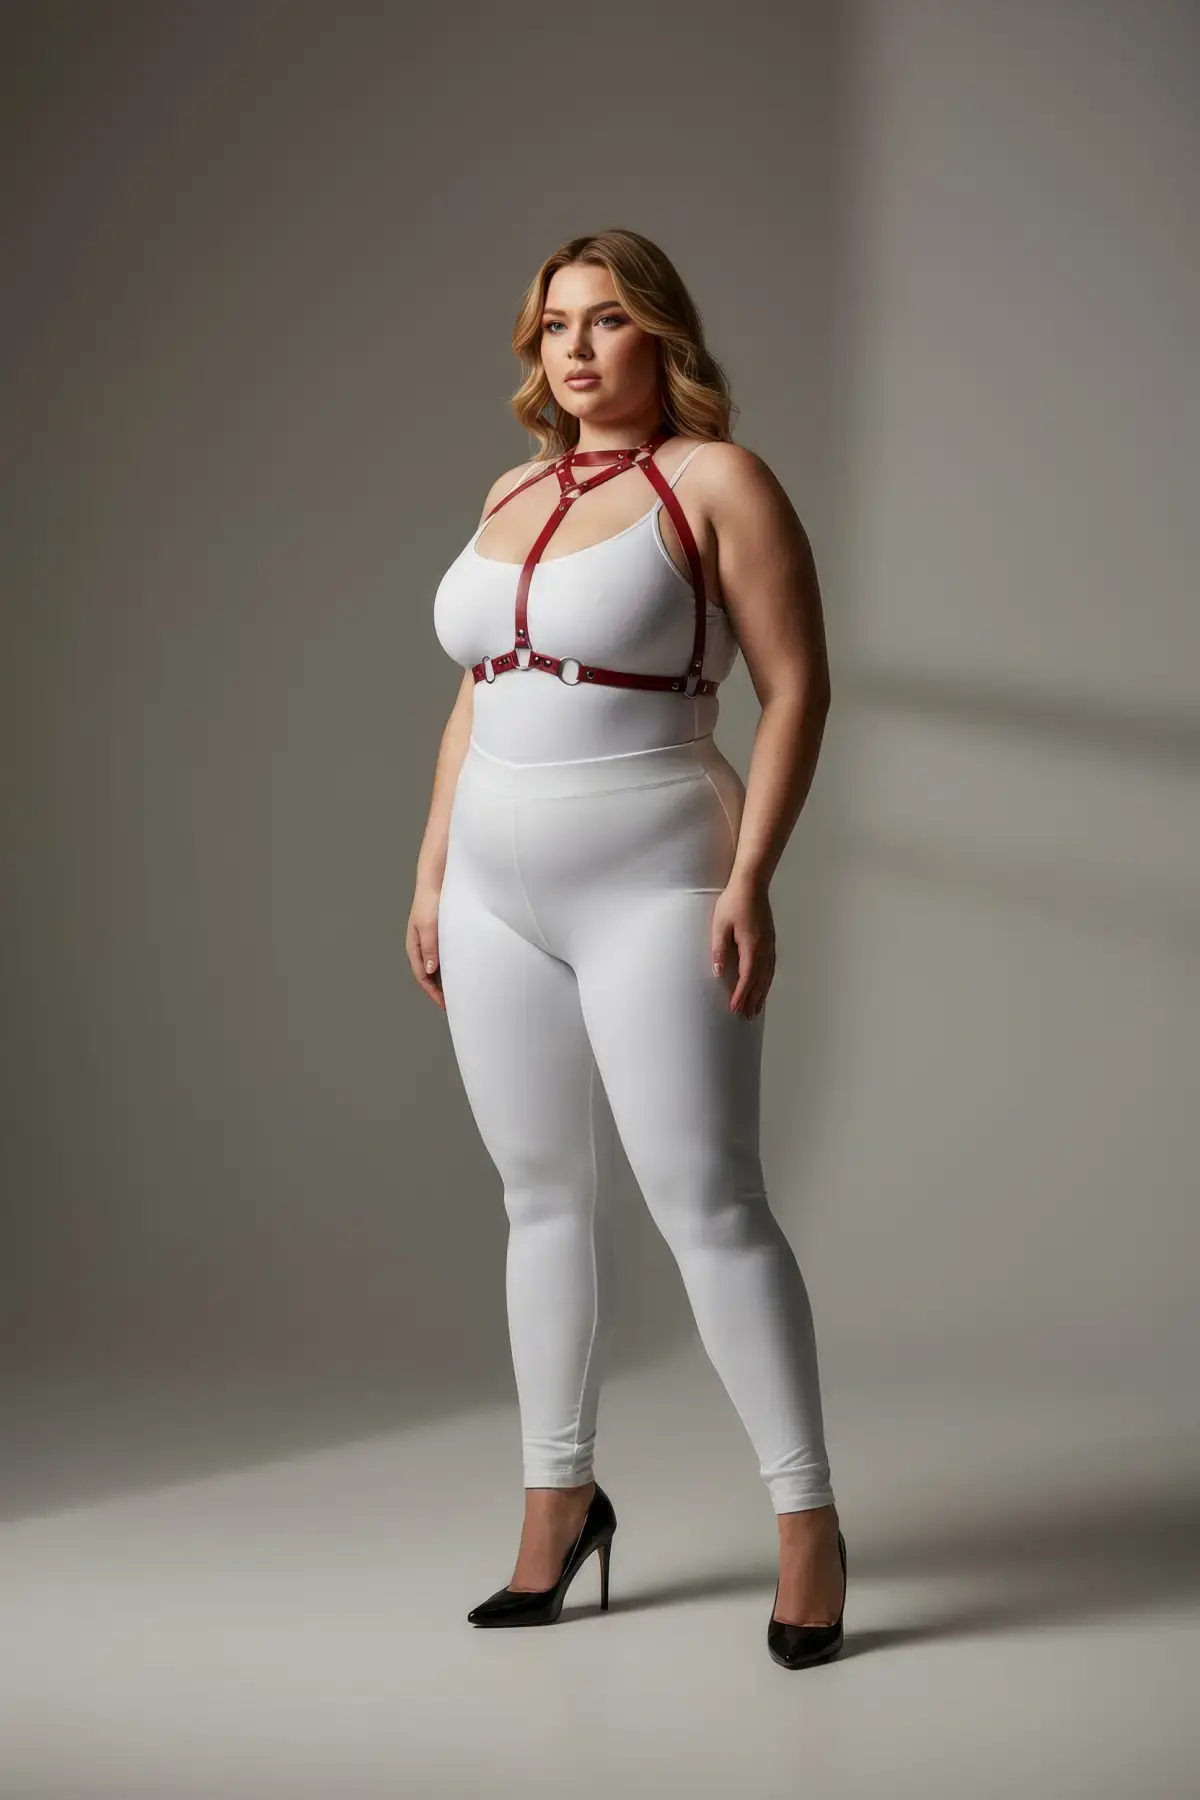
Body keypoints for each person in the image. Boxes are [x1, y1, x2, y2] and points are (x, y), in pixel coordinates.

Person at [408, 229, 846, 1669]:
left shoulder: (717, 481)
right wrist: (431, 873)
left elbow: (797, 687)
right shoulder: (511, 491)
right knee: (538, 1197)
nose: (577, 350)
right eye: (555, 326)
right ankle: (558, 1503)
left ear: (661, 334)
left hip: (659, 874)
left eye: (605, 321)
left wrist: (752, 878)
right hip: (492, 887)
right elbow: (479, 695)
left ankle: (807, 1522)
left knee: (709, 1201)